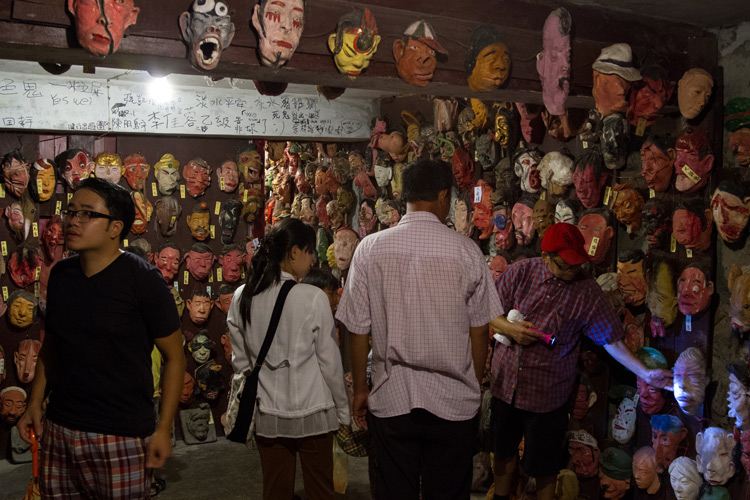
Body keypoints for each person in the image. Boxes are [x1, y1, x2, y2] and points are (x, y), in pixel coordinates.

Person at [337, 159, 503, 499]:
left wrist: (359, 389)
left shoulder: (370, 249)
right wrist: (471, 382)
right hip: (453, 402)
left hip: (391, 399)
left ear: (405, 195)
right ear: (443, 196)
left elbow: (355, 329)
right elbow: (479, 329)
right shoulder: (467, 252)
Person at [16, 177, 185, 499]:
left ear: (114, 227)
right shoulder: (62, 275)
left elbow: (175, 357)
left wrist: (164, 429)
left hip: (120, 434)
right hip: (60, 428)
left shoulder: (143, 281)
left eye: (86, 214)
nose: (72, 221)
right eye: (70, 212)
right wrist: (35, 402)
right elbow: (53, 344)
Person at [488, 222, 673, 500]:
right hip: (507, 386)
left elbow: (611, 339)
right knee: (502, 453)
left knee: (545, 466)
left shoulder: (586, 291)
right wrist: (510, 328)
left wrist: (645, 373)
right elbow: (487, 311)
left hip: (547, 395)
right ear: (546, 255)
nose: (571, 271)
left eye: (576, 264)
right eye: (564, 265)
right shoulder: (521, 272)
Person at [227, 217, 349, 500]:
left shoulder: (241, 296)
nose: (311, 261)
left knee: (275, 490)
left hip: (268, 412)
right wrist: (343, 411)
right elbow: (329, 362)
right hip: (314, 411)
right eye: (310, 253)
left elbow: (241, 363)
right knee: (321, 490)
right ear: (294, 252)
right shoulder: (313, 297)